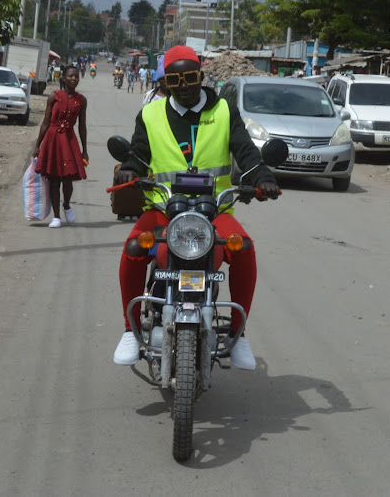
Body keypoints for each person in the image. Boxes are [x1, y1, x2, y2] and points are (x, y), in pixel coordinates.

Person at [112, 46, 281, 370]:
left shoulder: (224, 110)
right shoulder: (150, 114)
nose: (184, 85)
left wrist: (262, 177)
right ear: (166, 82)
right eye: (175, 79)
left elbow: (246, 153)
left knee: (244, 248)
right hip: (162, 209)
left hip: (215, 212)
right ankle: (130, 330)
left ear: (201, 76)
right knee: (134, 246)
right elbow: (138, 153)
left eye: (190, 77)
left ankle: (237, 333)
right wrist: (130, 169)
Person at [33, 65, 89, 228]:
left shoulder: (81, 100)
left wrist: (84, 150)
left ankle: (66, 205)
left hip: (69, 140)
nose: (74, 79)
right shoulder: (54, 97)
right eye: (70, 76)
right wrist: (38, 145)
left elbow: (82, 126)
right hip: (52, 139)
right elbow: (45, 123)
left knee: (68, 178)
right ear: (63, 78)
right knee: (54, 178)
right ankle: (56, 216)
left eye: (76, 76)